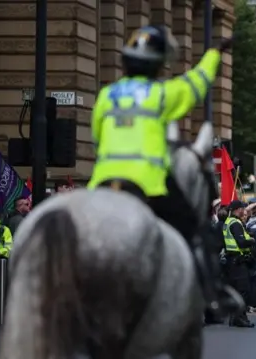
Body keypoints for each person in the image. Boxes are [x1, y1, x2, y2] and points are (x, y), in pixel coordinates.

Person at [87, 25, 236, 313]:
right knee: (194, 229)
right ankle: (213, 294)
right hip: (149, 185)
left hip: (102, 184)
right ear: (157, 65)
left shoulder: (106, 95)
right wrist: (215, 53)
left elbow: (96, 139)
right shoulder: (161, 94)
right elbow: (198, 82)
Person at [222, 200, 256, 328]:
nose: (245, 211)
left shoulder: (228, 221)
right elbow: (241, 242)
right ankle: (240, 318)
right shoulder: (235, 223)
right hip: (238, 261)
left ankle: (234, 317)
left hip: (232, 260)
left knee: (236, 291)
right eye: (243, 208)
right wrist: (252, 240)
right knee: (243, 291)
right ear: (238, 209)